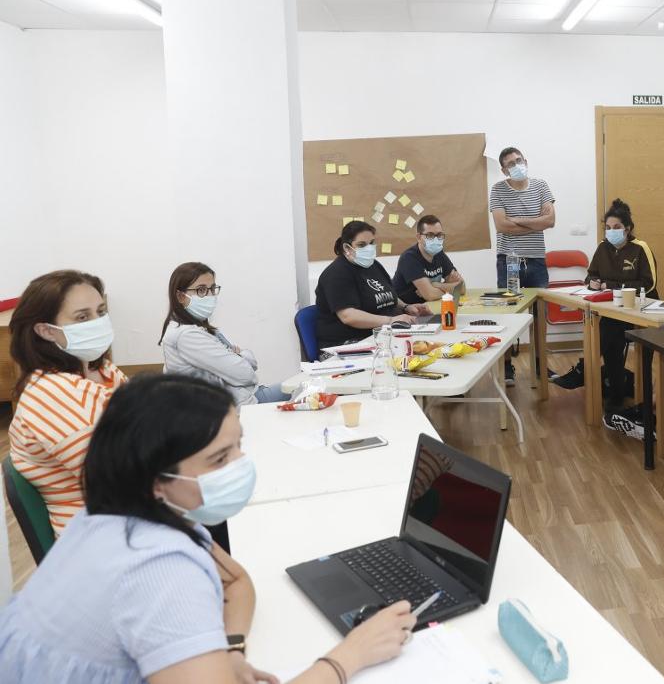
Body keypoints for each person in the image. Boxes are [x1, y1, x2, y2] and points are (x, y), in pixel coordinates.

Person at [0, 374, 416, 683]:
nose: (241, 466)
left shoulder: (122, 514)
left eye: (239, 446)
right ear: (157, 477)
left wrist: (230, 651)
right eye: (219, 459)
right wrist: (348, 657)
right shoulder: (158, 568)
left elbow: (236, 582)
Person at [7, 269, 127, 536]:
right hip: (100, 534)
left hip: (133, 515)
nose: (97, 321)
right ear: (46, 331)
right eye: (82, 317)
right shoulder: (50, 395)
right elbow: (118, 481)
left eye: (100, 311)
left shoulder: (103, 372)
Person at [549, 199, 658, 438]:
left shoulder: (640, 248)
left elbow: (649, 284)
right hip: (612, 310)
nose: (611, 232)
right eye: (608, 227)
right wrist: (592, 283)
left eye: (616, 227)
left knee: (609, 330)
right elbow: (591, 275)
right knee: (610, 330)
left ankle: (584, 369)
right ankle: (615, 394)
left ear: (627, 228)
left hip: (640, 311)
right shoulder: (602, 248)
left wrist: (611, 285)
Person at [159, 262, 287, 405]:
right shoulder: (186, 335)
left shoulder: (202, 328)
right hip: (236, 409)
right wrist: (237, 356)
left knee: (305, 387)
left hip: (246, 396)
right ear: (180, 296)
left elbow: (249, 364)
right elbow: (245, 374)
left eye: (212, 289)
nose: (210, 295)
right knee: (302, 392)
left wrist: (237, 359)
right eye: (201, 290)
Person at [490, 146, 555, 384]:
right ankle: (507, 367)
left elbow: (551, 220)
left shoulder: (541, 186)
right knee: (508, 314)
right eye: (510, 164)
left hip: (537, 261)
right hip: (510, 261)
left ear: (525, 160)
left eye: (518, 160)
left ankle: (540, 366)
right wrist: (536, 222)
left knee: (540, 316)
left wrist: (516, 219)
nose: (516, 165)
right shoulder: (497, 190)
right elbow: (501, 226)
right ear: (504, 170)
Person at [314, 221, 430, 351]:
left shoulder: (373, 265)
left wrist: (406, 307)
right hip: (345, 344)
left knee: (428, 346)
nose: (368, 248)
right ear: (347, 248)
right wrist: (391, 320)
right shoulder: (336, 274)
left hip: (380, 336)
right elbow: (349, 316)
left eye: (371, 243)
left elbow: (387, 293)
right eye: (361, 245)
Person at [393, 214, 465, 305]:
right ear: (419, 237)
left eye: (439, 235)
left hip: (429, 305)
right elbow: (430, 295)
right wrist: (449, 289)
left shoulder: (439, 254)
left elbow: (461, 288)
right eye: (430, 235)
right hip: (407, 310)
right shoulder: (409, 258)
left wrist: (436, 285)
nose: (436, 239)